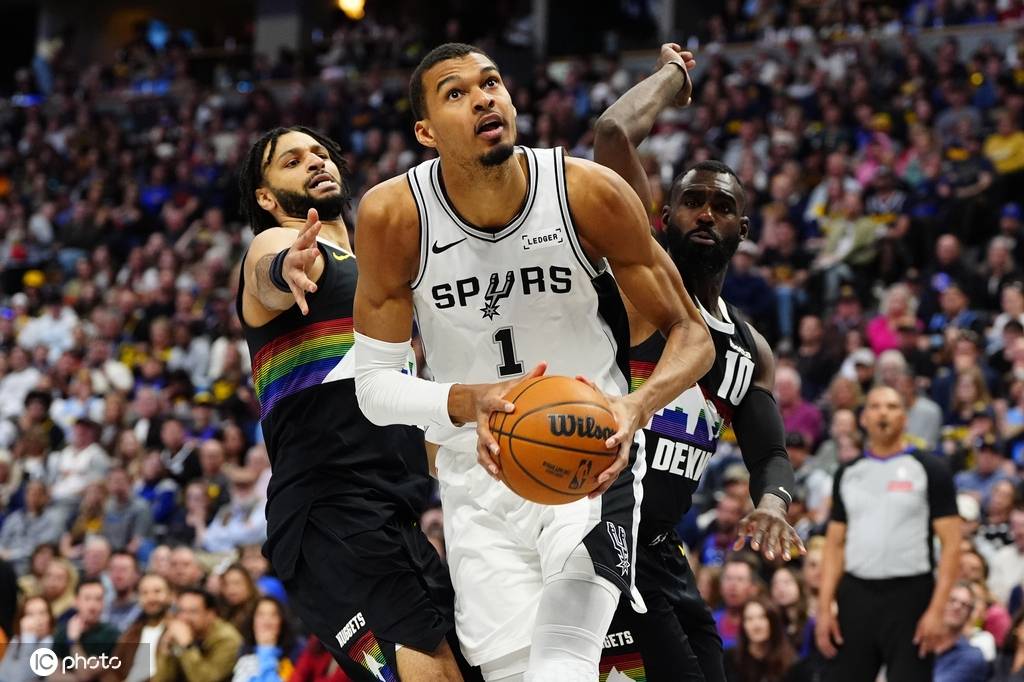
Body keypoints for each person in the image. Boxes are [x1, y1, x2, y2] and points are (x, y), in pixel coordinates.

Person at [351, 42, 714, 682]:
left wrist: (635, 406)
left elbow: (693, 335)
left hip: (587, 459)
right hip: (473, 478)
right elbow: (373, 388)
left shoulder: (586, 192)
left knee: (562, 662)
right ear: (425, 132)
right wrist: (466, 401)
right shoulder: (394, 215)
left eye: (491, 83)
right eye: (456, 93)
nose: (482, 99)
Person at [591, 43, 803, 681]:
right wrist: (673, 76)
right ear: (665, 215)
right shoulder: (644, 281)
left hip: (661, 547)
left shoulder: (749, 347)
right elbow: (612, 133)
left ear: (744, 229)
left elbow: (769, 454)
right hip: (604, 531)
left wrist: (773, 504)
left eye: (723, 206)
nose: (707, 213)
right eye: (693, 201)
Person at [236, 125, 472, 681]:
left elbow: (398, 417)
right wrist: (282, 269)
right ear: (266, 197)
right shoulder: (284, 247)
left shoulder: (376, 277)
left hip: (394, 512)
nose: (315, 162)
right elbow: (265, 271)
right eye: (292, 160)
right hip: (328, 511)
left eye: (320, 153)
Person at [815, 386, 961, 681]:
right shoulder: (847, 473)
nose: (883, 413)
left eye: (892, 407)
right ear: (863, 418)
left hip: (911, 595)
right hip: (856, 593)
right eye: (876, 406)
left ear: (905, 418)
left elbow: (952, 545)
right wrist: (824, 608)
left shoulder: (930, 469)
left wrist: (937, 609)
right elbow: (834, 545)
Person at [154, 589, 243, 682]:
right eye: (181, 611)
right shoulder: (180, 633)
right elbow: (161, 679)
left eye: (193, 612)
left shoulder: (227, 639)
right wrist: (165, 650)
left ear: (211, 614)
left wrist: (187, 646)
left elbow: (205, 679)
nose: (185, 617)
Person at [105, 573, 174, 682]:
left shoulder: (176, 632)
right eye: (145, 593)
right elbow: (113, 671)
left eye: (157, 591)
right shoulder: (131, 633)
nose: (151, 598)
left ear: (170, 595)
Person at [723, 597, 799, 682]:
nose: (756, 625)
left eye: (762, 617)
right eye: (749, 619)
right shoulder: (729, 660)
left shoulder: (790, 663)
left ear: (773, 622)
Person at [933, 582, 990, 682]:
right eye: (952, 600)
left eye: (964, 605)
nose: (957, 606)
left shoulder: (972, 657)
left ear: (969, 613)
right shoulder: (924, 644)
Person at [232, 596, 297, 682]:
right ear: (253, 622)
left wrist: (266, 650)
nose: (267, 621)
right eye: (261, 615)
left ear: (282, 621)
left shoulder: (296, 653)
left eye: (273, 615)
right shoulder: (245, 656)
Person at [52, 579, 120, 659]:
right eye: (87, 599)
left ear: (104, 603)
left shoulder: (112, 635)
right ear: (76, 601)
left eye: (98, 599)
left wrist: (73, 641)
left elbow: (85, 667)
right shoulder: (62, 631)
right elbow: (54, 665)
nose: (92, 605)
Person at [0, 596, 55, 682]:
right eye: (30, 615)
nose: (38, 619)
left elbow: (20, 678)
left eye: (42, 613)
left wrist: (28, 638)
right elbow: (2, 674)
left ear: (50, 617)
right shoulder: (17, 640)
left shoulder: (51, 643)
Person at [103, 551, 142, 633]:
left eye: (124, 570)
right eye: (114, 569)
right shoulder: (102, 606)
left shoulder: (142, 609)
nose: (118, 575)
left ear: (136, 575)